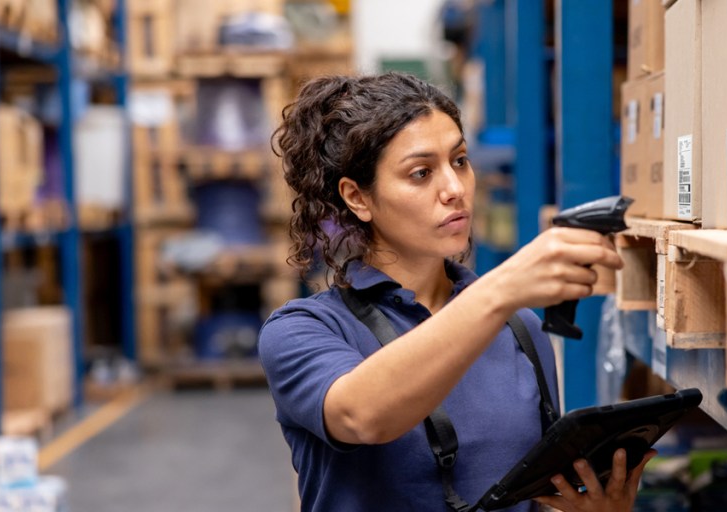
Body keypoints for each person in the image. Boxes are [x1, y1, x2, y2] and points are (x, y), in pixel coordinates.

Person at [260, 72, 655, 512]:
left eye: (460, 161)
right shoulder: (303, 331)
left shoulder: (520, 329)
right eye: (421, 172)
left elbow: (538, 495)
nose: (454, 189)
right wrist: (499, 290)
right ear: (358, 198)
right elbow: (362, 414)